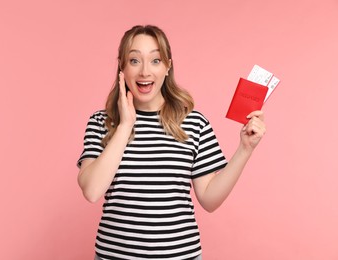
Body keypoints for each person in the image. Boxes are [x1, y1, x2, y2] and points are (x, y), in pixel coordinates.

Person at [77, 25, 266, 260]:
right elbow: (92, 191)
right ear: (122, 68)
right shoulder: (101, 122)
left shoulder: (194, 123)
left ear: (168, 66)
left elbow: (209, 199)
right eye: (134, 60)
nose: (145, 71)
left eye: (155, 60)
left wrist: (245, 149)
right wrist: (125, 125)